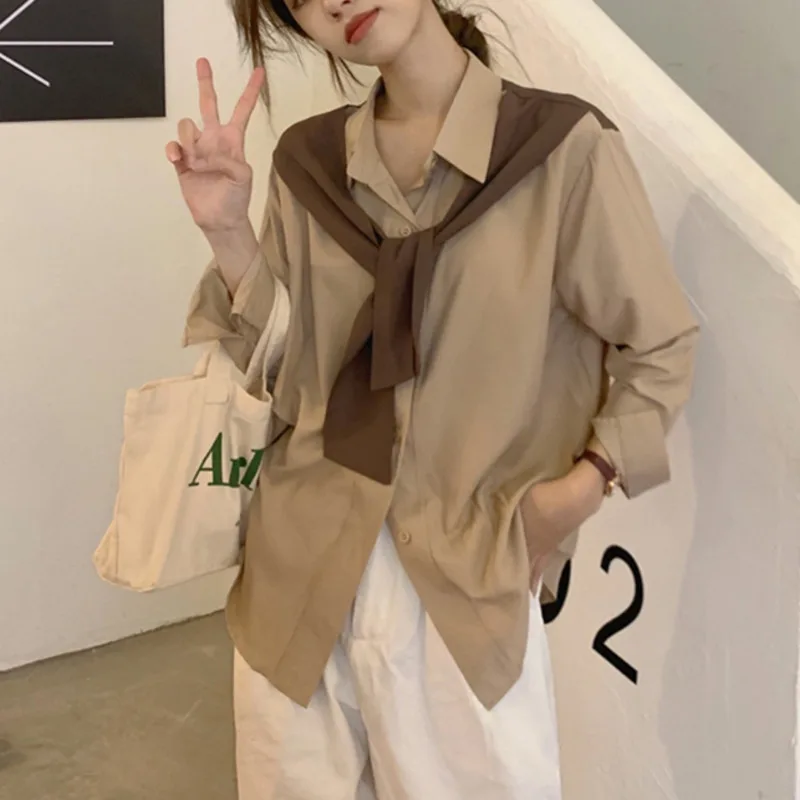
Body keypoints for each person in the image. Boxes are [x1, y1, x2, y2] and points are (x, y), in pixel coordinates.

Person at [168, 1, 699, 797]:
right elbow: (280, 369)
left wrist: (580, 490)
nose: (333, 2)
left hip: (464, 582)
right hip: (298, 575)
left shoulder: (562, 150)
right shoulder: (308, 164)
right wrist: (228, 235)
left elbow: (659, 343)